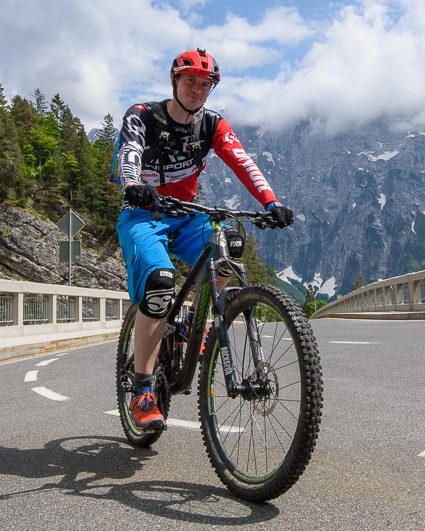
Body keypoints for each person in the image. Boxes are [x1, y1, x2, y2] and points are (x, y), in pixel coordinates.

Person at [113, 48, 293, 431]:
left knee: (228, 249)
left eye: (205, 84)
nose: (197, 89)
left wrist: (271, 201)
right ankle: (143, 390)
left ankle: (198, 322)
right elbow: (129, 153)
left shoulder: (211, 125)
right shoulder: (143, 115)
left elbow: (242, 161)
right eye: (190, 81)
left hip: (185, 214)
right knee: (160, 284)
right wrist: (132, 184)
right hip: (143, 214)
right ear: (174, 81)